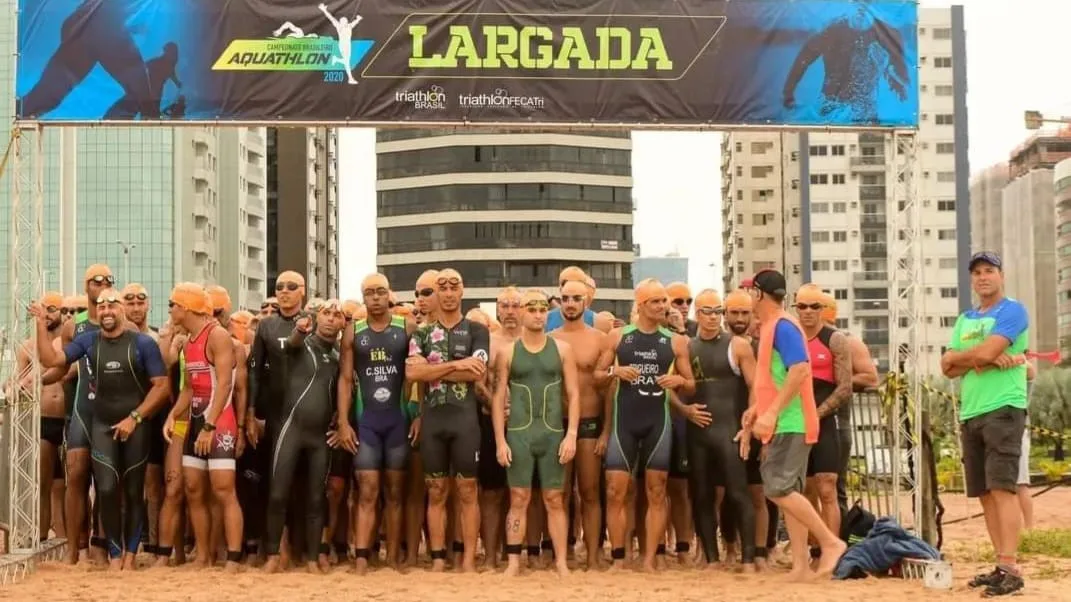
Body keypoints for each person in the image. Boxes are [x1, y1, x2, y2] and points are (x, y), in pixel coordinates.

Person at [35, 288, 170, 570]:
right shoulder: (88, 342)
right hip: (103, 424)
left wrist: (135, 418)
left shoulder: (143, 343)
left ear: (121, 310)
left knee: (134, 491)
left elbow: (161, 387)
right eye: (102, 306)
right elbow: (52, 361)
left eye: (112, 305)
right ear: (97, 311)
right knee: (107, 489)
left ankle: (131, 556)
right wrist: (39, 325)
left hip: (136, 426)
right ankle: (115, 554)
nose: (107, 311)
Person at [742, 270, 845, 581]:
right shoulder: (773, 327)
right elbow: (772, 379)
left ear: (759, 294)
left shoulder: (783, 326)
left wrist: (771, 413)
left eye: (750, 292)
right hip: (785, 420)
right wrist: (756, 411)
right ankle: (801, 566)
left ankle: (830, 542)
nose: (748, 297)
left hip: (791, 421)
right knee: (790, 492)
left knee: (778, 488)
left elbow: (799, 370)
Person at [941, 251, 1029, 597]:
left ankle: (1011, 566)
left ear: (1001, 275)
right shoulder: (965, 319)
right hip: (971, 410)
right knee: (984, 493)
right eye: (976, 272)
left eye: (989, 270)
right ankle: (1000, 563)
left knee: (1003, 489)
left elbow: (977, 356)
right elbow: (946, 366)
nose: (982, 277)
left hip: (1003, 408)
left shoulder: (1012, 311)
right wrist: (981, 359)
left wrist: (977, 358)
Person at [598, 279, 695, 572]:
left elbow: (690, 384)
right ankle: (618, 557)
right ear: (640, 305)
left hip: (658, 423)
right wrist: (616, 371)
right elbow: (596, 375)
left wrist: (679, 381)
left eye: (664, 301)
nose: (663, 306)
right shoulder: (618, 337)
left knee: (657, 490)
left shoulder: (675, 341)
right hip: (624, 422)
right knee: (616, 490)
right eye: (656, 301)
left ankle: (651, 558)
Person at [405, 268, 490, 572]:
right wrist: (457, 364)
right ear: (436, 293)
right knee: (436, 490)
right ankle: (439, 559)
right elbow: (413, 373)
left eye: (454, 286)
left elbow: (477, 371)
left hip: (465, 420)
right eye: (442, 287)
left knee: (467, 491)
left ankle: (467, 558)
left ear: (463, 290)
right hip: (434, 421)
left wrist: (435, 368)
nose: (449, 292)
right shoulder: (422, 333)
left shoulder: (477, 330)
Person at [493, 289, 579, 577]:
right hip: (519, 434)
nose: (538, 315)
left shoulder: (562, 349)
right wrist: (500, 441)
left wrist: (572, 435)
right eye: (532, 309)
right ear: (521, 312)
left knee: (554, 498)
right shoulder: (508, 351)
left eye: (543, 310)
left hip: (553, 433)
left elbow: (574, 394)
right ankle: (515, 562)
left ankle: (561, 562)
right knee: (519, 497)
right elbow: (497, 398)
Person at [334, 274, 415, 573]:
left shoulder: (405, 327)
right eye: (370, 293)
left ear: (389, 294)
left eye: (381, 291)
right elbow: (345, 380)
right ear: (364, 297)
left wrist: (416, 414)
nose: (376, 298)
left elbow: (415, 376)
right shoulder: (353, 332)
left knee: (395, 493)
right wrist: (344, 422)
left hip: (398, 420)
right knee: (367, 490)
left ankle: (393, 556)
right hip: (366, 422)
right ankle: (363, 557)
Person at [162, 283, 242, 572]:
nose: (169, 309)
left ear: (185, 307)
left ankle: (232, 558)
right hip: (197, 419)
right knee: (194, 488)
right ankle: (204, 556)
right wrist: (173, 415)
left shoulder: (217, 335)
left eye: (172, 304)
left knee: (223, 490)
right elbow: (189, 388)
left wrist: (210, 425)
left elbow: (225, 383)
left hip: (219, 421)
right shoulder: (188, 340)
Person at [677, 289, 758, 570]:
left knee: (738, 493)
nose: (713, 318)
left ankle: (748, 558)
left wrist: (748, 425)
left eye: (717, 312)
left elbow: (754, 387)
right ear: (696, 314)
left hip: (730, 429)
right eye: (707, 312)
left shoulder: (737, 345)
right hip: (698, 433)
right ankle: (712, 558)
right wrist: (684, 410)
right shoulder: (686, 346)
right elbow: (671, 387)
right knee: (701, 495)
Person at [263, 301, 345, 574]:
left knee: (315, 498)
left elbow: (344, 393)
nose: (331, 319)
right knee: (278, 495)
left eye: (337, 315)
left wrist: (340, 422)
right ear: (315, 317)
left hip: (321, 436)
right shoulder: (302, 344)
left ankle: (311, 559)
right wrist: (299, 330)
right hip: (291, 429)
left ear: (343, 323)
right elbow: (286, 345)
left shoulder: (339, 356)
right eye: (326, 314)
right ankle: (273, 555)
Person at [246, 271, 306, 563]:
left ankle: (302, 547)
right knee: (273, 484)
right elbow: (254, 372)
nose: (284, 292)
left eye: (291, 287)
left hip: (308, 416)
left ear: (302, 292)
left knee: (305, 486)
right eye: (279, 287)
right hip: (275, 415)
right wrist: (251, 414)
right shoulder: (267, 327)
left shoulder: (314, 323)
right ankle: (276, 546)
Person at [550, 279, 611, 569]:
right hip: (556, 424)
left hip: (589, 421)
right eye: (565, 298)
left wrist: (607, 430)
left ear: (586, 302)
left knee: (589, 491)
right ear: (559, 302)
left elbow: (609, 389)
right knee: (559, 493)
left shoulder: (600, 339)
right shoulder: (549, 339)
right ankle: (562, 554)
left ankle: (594, 555)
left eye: (576, 298)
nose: (570, 303)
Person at [57, 264, 115, 563]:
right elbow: (61, 367)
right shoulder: (74, 326)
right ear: (86, 286)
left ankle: (100, 545)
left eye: (108, 281)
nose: (102, 285)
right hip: (83, 407)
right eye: (96, 281)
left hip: (110, 410)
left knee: (105, 479)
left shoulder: (120, 322)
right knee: (76, 474)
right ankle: (71, 549)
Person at [794, 284, 852, 543]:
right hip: (796, 421)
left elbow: (845, 387)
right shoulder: (789, 338)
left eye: (814, 306)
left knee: (827, 487)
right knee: (804, 490)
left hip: (824, 421)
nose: (808, 312)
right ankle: (816, 549)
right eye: (802, 306)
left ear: (823, 309)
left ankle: (834, 550)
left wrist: (817, 413)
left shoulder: (835, 339)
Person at [12, 292, 67, 542]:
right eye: (44, 310)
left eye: (53, 309)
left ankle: (66, 537)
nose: (48, 315)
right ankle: (42, 535)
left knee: (64, 485)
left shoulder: (68, 343)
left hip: (67, 417)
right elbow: (16, 381)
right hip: (42, 418)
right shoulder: (26, 347)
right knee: (44, 482)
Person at [819, 290, 878, 514]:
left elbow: (870, 377)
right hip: (810, 421)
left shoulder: (848, 341)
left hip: (837, 421)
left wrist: (837, 381)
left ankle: (839, 539)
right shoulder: (807, 341)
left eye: (814, 307)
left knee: (834, 487)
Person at [478, 287, 523, 569]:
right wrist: (496, 404)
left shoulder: (537, 342)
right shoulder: (488, 342)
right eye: (504, 306)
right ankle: (492, 554)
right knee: (492, 492)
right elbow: (478, 381)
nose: (509, 311)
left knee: (519, 492)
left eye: (515, 305)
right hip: (489, 421)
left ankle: (516, 551)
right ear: (497, 309)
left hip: (526, 424)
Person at [318, 3, 361, 84]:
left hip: (348, 45)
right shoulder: (339, 26)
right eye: (342, 20)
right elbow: (331, 18)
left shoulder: (349, 26)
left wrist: (358, 19)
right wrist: (324, 10)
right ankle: (350, 78)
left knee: (346, 61)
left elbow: (354, 23)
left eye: (345, 20)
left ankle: (336, 59)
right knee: (347, 62)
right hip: (343, 45)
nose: (344, 21)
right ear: (340, 22)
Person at [545, 266, 595, 331]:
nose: (570, 286)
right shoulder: (545, 319)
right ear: (560, 288)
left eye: (576, 283)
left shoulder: (596, 320)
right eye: (565, 283)